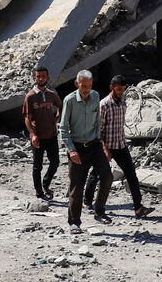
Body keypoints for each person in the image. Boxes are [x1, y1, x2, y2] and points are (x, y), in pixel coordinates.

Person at [84, 75, 155, 219]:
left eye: (123, 89)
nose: (121, 92)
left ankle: (138, 208)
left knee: (131, 175)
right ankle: (87, 202)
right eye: (119, 89)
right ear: (112, 88)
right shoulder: (104, 105)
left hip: (121, 145)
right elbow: (98, 130)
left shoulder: (123, 102)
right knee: (96, 174)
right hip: (107, 146)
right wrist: (105, 149)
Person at [59, 69, 113, 233]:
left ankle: (99, 211)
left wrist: (102, 144)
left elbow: (98, 122)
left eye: (89, 86)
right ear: (77, 84)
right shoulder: (69, 100)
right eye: (83, 86)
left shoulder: (95, 96)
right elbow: (63, 128)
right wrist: (71, 150)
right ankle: (74, 222)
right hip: (77, 148)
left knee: (107, 176)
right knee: (77, 187)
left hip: (94, 145)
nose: (86, 90)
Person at [23, 66, 61, 200]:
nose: (41, 79)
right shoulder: (30, 96)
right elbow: (27, 117)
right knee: (37, 167)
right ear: (35, 78)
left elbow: (61, 105)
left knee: (55, 162)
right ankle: (39, 193)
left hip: (52, 135)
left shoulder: (51, 94)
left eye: (43, 76)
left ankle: (46, 183)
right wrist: (32, 135)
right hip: (38, 137)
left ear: (47, 78)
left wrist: (58, 116)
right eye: (38, 76)